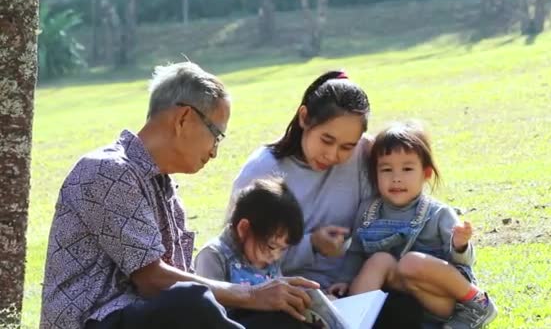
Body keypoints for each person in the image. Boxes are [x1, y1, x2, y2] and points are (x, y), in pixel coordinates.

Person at [39, 62, 318, 329]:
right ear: (184, 118)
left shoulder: (164, 188)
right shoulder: (106, 171)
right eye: (216, 135)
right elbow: (153, 280)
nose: (214, 151)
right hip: (96, 321)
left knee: (283, 317)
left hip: (151, 319)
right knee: (190, 301)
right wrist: (252, 295)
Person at [227, 70, 424, 328]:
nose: (333, 155)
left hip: (351, 292)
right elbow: (237, 259)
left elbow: (385, 221)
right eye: (326, 140)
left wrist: (352, 284)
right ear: (304, 118)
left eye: (346, 146)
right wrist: (312, 245)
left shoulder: (365, 155)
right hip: (286, 297)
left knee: (405, 308)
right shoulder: (261, 170)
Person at [335, 122, 497, 329]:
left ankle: (479, 304)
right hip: (403, 299)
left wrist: (460, 245)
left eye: (407, 169)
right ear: (375, 174)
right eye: (386, 169)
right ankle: (352, 320)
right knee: (379, 260)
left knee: (410, 262)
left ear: (426, 174)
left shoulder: (438, 213)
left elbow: (464, 263)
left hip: (442, 300)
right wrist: (344, 278)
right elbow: (355, 252)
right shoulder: (368, 211)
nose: (396, 178)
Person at [195, 177, 306, 321]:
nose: (276, 256)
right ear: (244, 228)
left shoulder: (267, 257)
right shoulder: (213, 256)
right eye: (272, 247)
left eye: (283, 249)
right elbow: (207, 309)